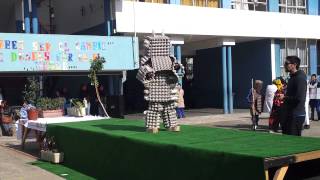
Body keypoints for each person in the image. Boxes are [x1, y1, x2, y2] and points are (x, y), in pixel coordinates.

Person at [279, 56, 307, 136]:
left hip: (296, 115)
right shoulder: (292, 78)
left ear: (294, 65)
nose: (284, 65)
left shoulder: (300, 78)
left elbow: (299, 98)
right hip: (289, 114)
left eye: (287, 63)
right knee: (286, 142)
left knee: (293, 143)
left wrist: (284, 97)